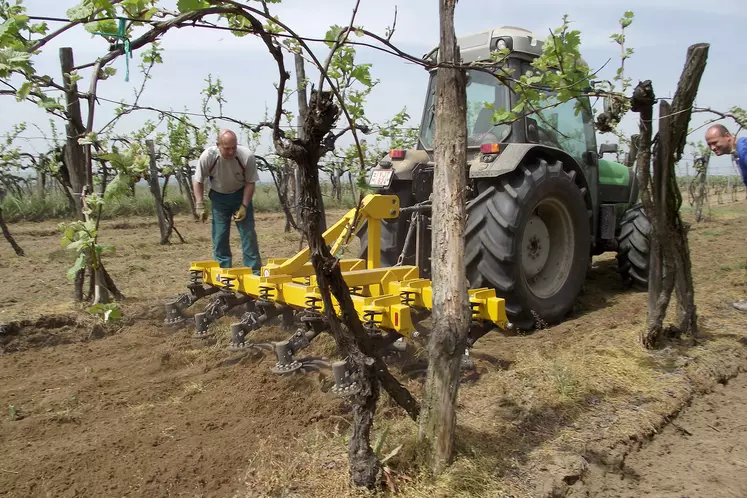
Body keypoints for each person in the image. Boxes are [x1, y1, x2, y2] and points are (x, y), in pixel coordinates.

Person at [193, 129, 262, 274]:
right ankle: (223, 273)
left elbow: (250, 182)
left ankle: (254, 271)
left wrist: (244, 205)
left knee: (248, 234)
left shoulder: (246, 156)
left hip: (240, 195)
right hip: (219, 198)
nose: (231, 152)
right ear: (218, 145)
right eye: (227, 148)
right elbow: (198, 181)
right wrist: (199, 204)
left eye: (234, 148)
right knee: (220, 235)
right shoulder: (208, 156)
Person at [705, 124, 747, 313]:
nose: (713, 148)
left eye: (714, 142)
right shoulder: (739, 152)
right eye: (709, 145)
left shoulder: (744, 149)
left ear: (728, 136)